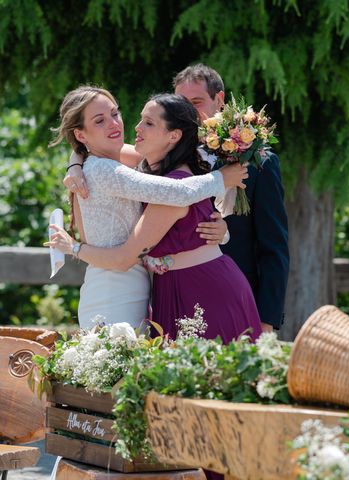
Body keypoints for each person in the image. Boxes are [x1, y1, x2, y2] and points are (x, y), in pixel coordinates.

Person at [66, 63, 290, 333]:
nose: (186, 110)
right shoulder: (154, 160)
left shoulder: (250, 164)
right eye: (179, 103)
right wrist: (75, 162)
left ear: (219, 101)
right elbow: (101, 148)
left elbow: (273, 246)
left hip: (212, 285)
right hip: (166, 288)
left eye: (195, 102)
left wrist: (267, 318)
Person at [46, 86, 248, 329]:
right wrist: (221, 179)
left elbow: (177, 195)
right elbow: (176, 192)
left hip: (141, 287)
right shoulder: (103, 169)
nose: (116, 124)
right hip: (114, 292)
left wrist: (75, 161)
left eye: (114, 113)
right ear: (81, 135)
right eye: (100, 120)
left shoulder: (115, 160)